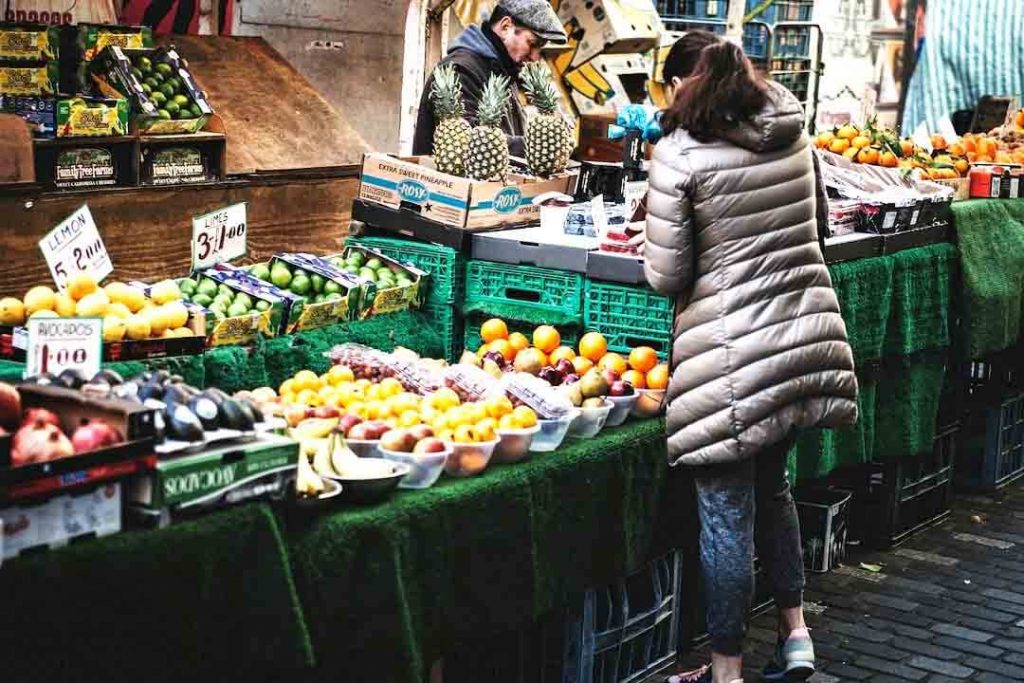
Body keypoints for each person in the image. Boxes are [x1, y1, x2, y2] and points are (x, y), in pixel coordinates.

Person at [641, 41, 859, 683]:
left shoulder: (680, 154)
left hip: (731, 359)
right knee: (775, 488)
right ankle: (796, 636)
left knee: (726, 513)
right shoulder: (793, 134)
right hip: (801, 342)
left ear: (687, 85)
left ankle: (726, 669)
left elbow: (666, 272)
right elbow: (819, 224)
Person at [412, 0, 566, 159]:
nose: (535, 57)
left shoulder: (503, 71)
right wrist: (539, 145)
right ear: (506, 26)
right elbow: (466, 142)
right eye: (532, 44)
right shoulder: (460, 70)